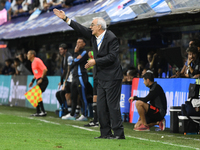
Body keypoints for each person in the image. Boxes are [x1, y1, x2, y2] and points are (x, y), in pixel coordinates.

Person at [53, 9, 125, 139]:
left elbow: (112, 57)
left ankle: (119, 134)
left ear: (99, 27)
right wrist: (65, 19)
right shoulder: (94, 36)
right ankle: (105, 133)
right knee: (101, 106)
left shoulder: (111, 38)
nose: (90, 27)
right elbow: (80, 29)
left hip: (113, 77)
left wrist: (95, 61)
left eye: (92, 25)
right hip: (101, 77)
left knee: (112, 106)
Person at [61, 37, 89, 121]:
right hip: (75, 77)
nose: (78, 44)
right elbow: (72, 64)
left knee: (82, 96)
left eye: (80, 42)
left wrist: (75, 54)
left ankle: (84, 115)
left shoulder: (84, 52)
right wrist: (75, 55)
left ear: (84, 44)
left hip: (81, 77)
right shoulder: (76, 53)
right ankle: (72, 114)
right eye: (77, 42)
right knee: (73, 96)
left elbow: (76, 61)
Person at [27, 50, 49, 116]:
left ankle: (42, 112)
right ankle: (39, 112)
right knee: (35, 94)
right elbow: (36, 73)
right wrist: (32, 81)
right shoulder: (32, 63)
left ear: (32, 55)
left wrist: (41, 79)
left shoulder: (37, 60)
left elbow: (45, 69)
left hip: (43, 80)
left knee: (36, 94)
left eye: (28, 54)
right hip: (38, 79)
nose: (27, 55)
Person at [56, 44, 73, 116]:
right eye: (59, 50)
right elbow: (64, 72)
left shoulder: (69, 57)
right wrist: (61, 81)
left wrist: (64, 83)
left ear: (65, 50)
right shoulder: (63, 58)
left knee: (64, 93)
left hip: (72, 79)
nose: (60, 51)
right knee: (59, 94)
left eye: (61, 49)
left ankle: (69, 111)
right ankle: (65, 109)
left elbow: (68, 71)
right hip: (68, 80)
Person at [84, 51, 99, 127]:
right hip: (96, 78)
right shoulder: (93, 53)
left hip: (102, 78)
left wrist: (92, 56)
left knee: (104, 99)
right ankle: (95, 120)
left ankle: (105, 120)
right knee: (95, 98)